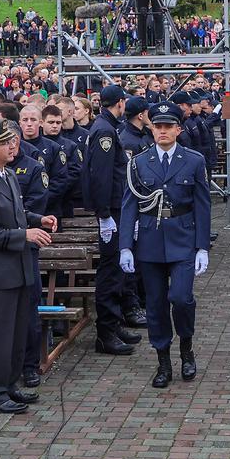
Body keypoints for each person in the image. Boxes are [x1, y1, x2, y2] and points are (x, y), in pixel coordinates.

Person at [0, 120, 56, 414]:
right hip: (0, 271)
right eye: (7, 143)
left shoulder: (7, 176)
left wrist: (36, 220)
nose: (13, 146)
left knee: (17, 332)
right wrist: (24, 235)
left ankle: (10, 384)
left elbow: (15, 212)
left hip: (18, 268)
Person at [120, 102, 212, 390]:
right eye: (158, 126)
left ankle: (186, 347)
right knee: (156, 305)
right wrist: (125, 246)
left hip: (183, 237)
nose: (162, 131)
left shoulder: (194, 160)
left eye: (168, 126)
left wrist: (203, 247)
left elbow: (202, 206)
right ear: (152, 128)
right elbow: (129, 206)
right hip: (149, 240)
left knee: (181, 298)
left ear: (178, 129)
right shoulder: (139, 162)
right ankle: (163, 361)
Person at [80, 84, 141, 355]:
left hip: (116, 207)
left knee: (117, 270)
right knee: (110, 272)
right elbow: (101, 175)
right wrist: (104, 214)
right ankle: (105, 333)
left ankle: (113, 325)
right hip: (112, 210)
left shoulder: (106, 125)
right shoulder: (105, 130)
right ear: (121, 102)